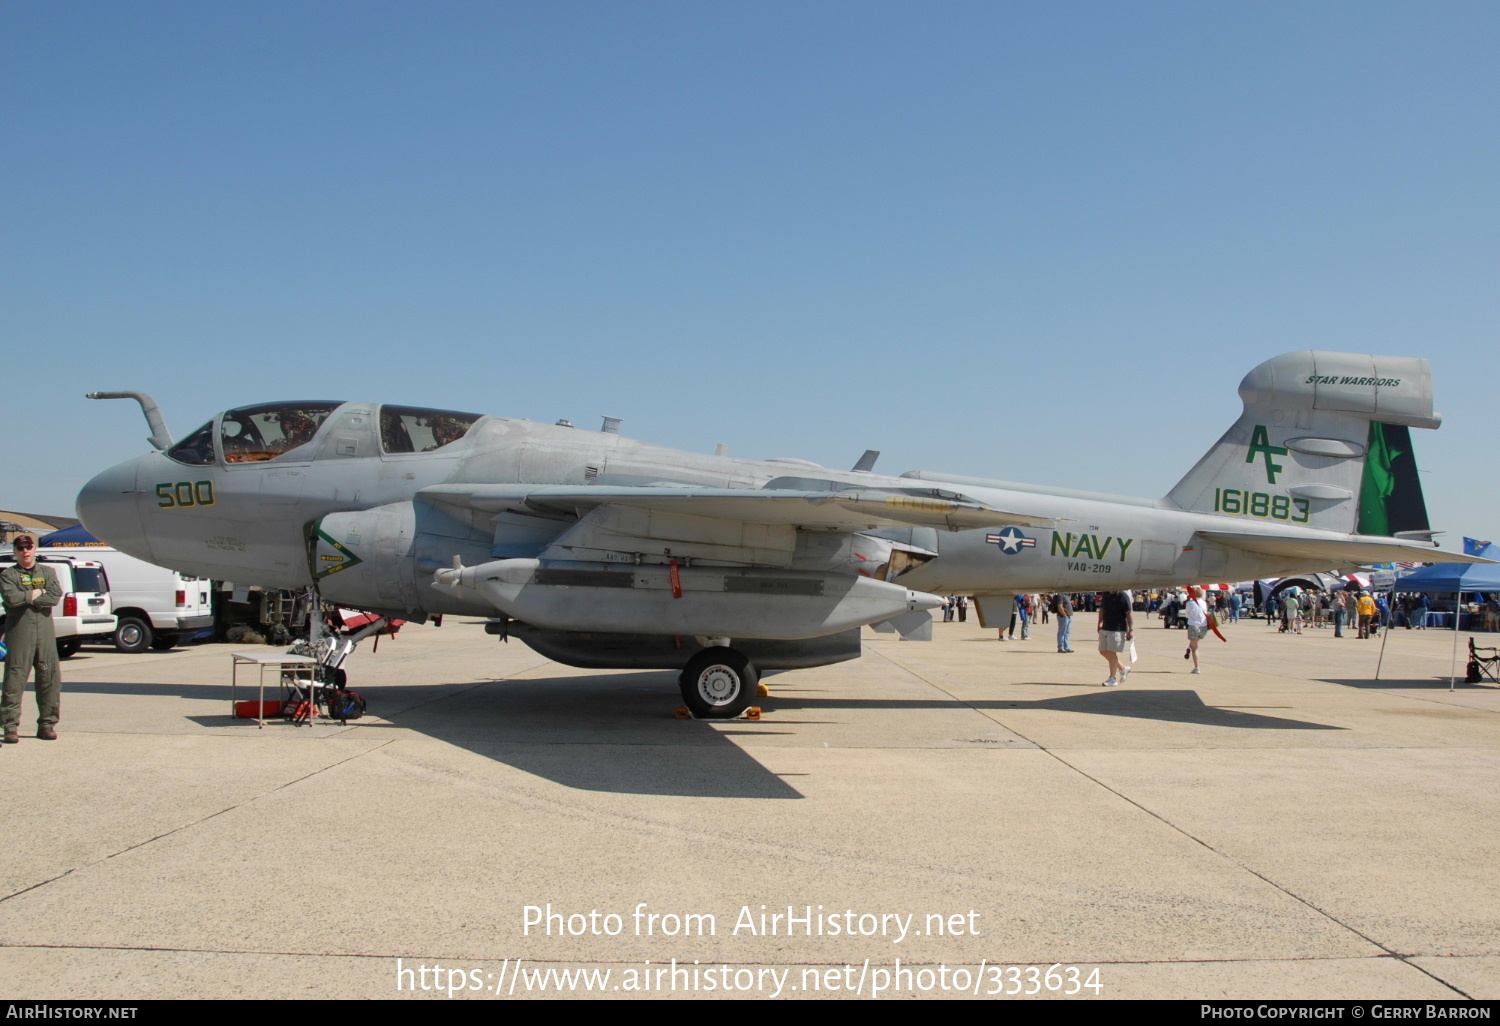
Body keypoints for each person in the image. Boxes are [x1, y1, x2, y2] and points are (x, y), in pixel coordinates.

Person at [1, 535, 63, 742]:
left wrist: (29, 597)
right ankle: (10, 727)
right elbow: (11, 598)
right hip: (19, 633)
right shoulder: (8, 575)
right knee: (14, 679)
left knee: (49, 679)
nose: (25, 551)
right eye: (20, 548)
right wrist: (36, 593)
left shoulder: (48, 572)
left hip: (44, 634)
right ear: (16, 551)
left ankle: (47, 724)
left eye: (28, 547)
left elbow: (54, 595)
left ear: (34, 548)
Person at [1097, 589, 1134, 686]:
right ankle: (1123, 668)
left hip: (1117, 629)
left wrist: (1131, 629)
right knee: (1103, 651)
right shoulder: (1105, 594)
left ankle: (1112, 678)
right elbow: (1102, 610)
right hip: (1106, 627)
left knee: (1112, 653)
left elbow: (1129, 613)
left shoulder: (1123, 596)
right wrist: (1099, 623)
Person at [1183, 586, 1209, 674]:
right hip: (1203, 626)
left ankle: (1196, 667)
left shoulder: (1190, 603)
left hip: (1193, 625)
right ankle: (1189, 647)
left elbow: (1186, 614)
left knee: (1195, 648)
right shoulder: (1204, 602)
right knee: (1195, 641)